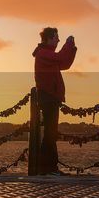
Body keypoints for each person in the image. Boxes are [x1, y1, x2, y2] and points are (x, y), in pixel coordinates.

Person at [32, 26, 76, 175]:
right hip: (48, 96)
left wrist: (71, 48)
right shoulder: (44, 54)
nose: (58, 39)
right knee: (50, 134)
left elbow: (65, 64)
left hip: (51, 97)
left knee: (51, 133)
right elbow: (61, 59)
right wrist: (68, 45)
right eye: (56, 37)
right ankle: (46, 168)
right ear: (49, 38)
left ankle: (49, 168)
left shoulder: (47, 54)